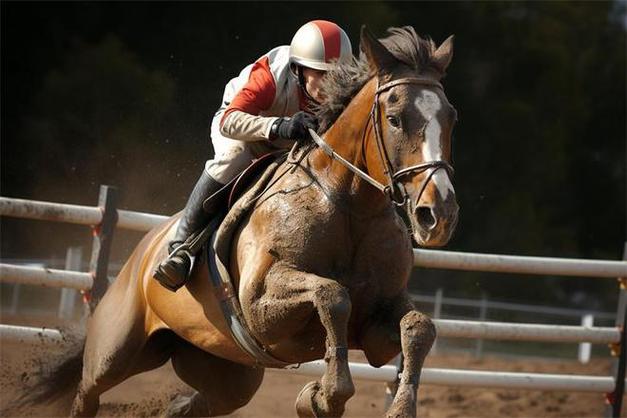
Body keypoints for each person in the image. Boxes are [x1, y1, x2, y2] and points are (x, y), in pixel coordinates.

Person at [154, 20, 353, 291]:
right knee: (233, 158)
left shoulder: (343, 91)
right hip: (242, 126)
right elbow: (229, 121)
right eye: (321, 74)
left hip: (289, 142)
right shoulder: (271, 75)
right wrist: (277, 125)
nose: (330, 85)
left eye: (336, 75)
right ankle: (180, 248)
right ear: (299, 69)